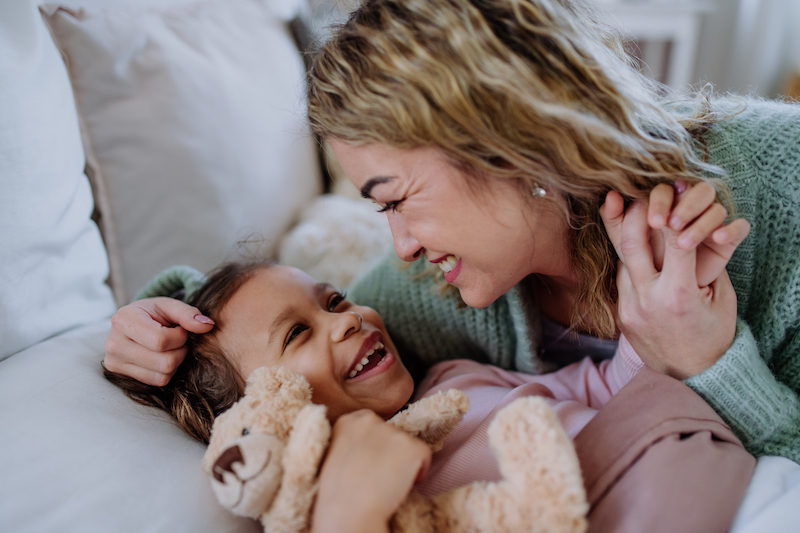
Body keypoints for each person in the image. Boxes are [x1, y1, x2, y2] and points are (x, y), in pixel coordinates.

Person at [104, 0, 800, 463]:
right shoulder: (429, 291)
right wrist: (163, 316)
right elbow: (270, 337)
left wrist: (712, 363)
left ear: (506, 141)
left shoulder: (781, 183)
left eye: (399, 198)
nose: (402, 244)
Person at [104, 230, 752, 532]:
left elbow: (605, 385)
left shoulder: (455, 377)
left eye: (333, 300)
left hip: (723, 476)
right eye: (297, 333)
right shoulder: (331, 502)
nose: (349, 318)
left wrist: (661, 313)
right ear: (258, 410)